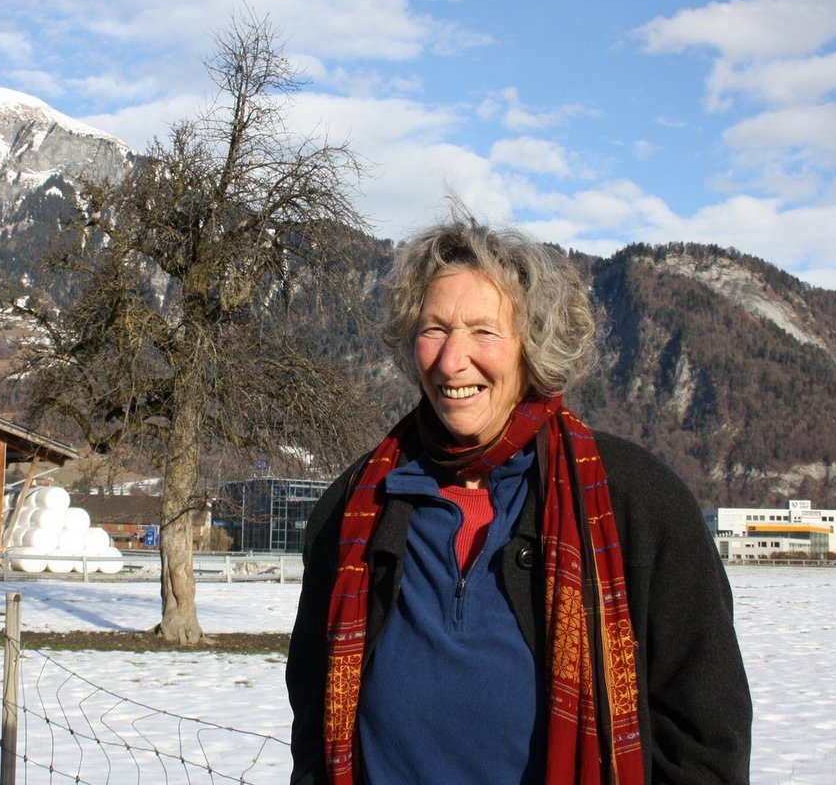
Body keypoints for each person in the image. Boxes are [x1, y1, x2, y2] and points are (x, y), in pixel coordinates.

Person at [287, 216, 751, 784]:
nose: (452, 360)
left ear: (533, 348)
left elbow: (704, 734)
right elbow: (314, 708)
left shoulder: (634, 503)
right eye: (434, 329)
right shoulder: (357, 506)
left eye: (484, 331)